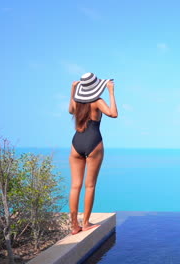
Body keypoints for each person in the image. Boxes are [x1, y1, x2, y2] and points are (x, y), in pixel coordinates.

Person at [68, 72, 118, 235]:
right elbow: (113, 113)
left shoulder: (77, 101)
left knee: (75, 186)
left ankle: (75, 225)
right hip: (93, 142)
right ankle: (86, 222)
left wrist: (73, 91)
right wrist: (111, 92)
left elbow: (70, 110)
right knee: (90, 186)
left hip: (76, 142)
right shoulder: (97, 101)